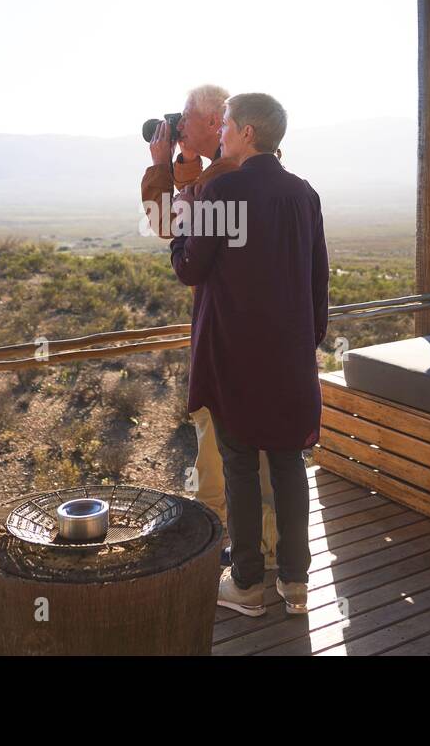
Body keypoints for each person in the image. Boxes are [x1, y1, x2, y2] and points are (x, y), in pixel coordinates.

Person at [170, 92, 328, 616]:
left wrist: (182, 219)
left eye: (228, 126)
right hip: (290, 360)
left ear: (248, 134)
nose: (222, 134)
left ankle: (246, 585)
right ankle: (296, 582)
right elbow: (317, 283)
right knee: (288, 465)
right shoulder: (305, 194)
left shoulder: (225, 192)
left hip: (236, 359)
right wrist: (306, 345)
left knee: (239, 464)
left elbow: (191, 268)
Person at [140, 85, 279, 567]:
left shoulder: (225, 175)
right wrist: (182, 161)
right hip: (261, 334)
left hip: (227, 334)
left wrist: (164, 166)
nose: (181, 128)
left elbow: (170, 224)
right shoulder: (250, 168)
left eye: (190, 120)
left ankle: (227, 547)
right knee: (259, 449)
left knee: (222, 443)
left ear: (218, 120)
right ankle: (267, 549)